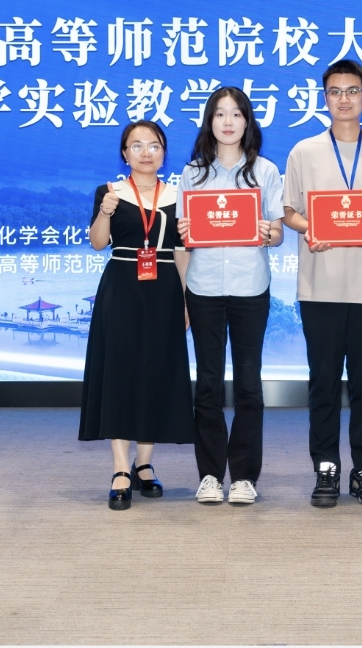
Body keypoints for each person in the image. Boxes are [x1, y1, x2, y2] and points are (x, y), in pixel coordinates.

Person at [282, 59, 362, 508]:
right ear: (324, 98)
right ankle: (326, 469)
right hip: (319, 288)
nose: (344, 99)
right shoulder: (304, 151)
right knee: (322, 384)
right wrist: (310, 228)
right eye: (335, 91)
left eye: (352, 91)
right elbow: (290, 212)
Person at [175, 87, 284, 506]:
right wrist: (185, 233)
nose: (227, 121)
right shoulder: (193, 174)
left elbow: (277, 233)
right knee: (207, 383)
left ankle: (243, 476)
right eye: (219, 114)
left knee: (248, 384)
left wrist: (267, 232)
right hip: (203, 287)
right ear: (209, 121)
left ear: (247, 121)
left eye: (236, 114)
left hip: (249, 286)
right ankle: (209, 474)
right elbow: (184, 238)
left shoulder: (265, 171)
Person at [80, 120, 195, 510]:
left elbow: (182, 252)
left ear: (164, 153)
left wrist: (185, 300)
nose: (147, 152)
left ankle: (144, 463)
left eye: (154, 145)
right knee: (121, 372)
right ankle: (120, 468)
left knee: (156, 372)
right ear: (124, 153)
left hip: (164, 289)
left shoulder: (179, 195)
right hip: (122, 288)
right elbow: (98, 243)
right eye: (137, 145)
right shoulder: (110, 192)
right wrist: (104, 214)